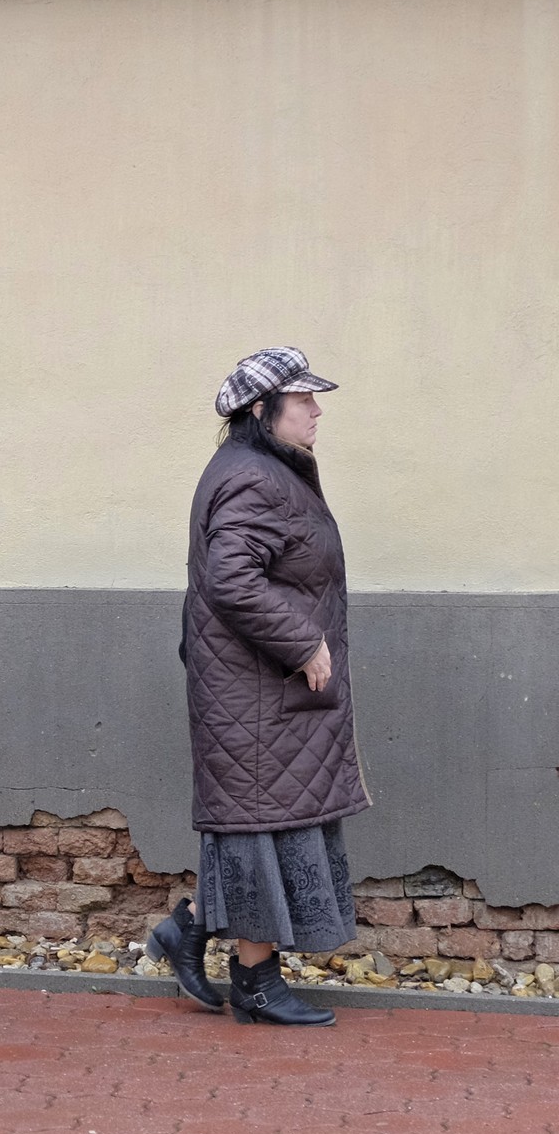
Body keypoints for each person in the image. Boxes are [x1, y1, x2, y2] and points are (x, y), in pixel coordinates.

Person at [166, 346, 368, 1027]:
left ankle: (189, 928)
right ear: (262, 409)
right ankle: (254, 982)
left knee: (266, 826)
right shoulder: (254, 477)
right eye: (302, 400)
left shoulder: (263, 468)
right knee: (262, 831)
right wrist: (303, 642)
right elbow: (232, 580)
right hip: (256, 692)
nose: (315, 411)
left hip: (262, 691)